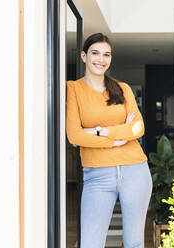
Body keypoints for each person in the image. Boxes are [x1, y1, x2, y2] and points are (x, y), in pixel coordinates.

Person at [66, 33, 152, 248]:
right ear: (84, 56)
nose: (101, 59)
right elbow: (74, 135)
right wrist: (117, 138)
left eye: (106, 55)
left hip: (135, 170)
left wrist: (99, 131)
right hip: (97, 175)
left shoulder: (122, 89)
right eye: (95, 53)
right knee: (90, 243)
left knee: (134, 243)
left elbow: (138, 128)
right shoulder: (73, 89)